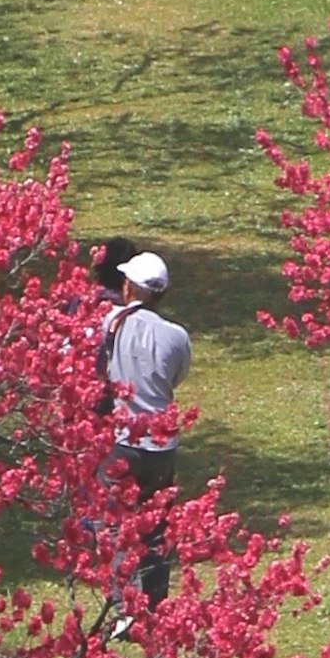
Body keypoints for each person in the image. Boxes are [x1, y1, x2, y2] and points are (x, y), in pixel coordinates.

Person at [97, 250, 191, 608]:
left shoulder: (111, 323)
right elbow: (176, 378)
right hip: (162, 446)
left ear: (127, 287)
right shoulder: (177, 336)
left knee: (116, 522)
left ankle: (121, 603)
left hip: (122, 441)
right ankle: (155, 600)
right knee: (157, 526)